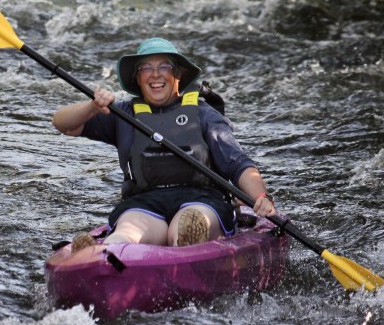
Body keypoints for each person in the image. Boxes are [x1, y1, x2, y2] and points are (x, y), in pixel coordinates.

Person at [52, 37, 275, 251]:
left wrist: (260, 197)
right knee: (128, 230)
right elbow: (63, 124)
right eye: (146, 68)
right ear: (138, 78)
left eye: (164, 67)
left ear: (178, 74)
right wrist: (92, 107)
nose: (155, 74)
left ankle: (187, 241)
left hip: (200, 199)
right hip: (145, 203)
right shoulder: (123, 114)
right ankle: (106, 250)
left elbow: (238, 163)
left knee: (190, 222)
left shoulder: (203, 113)